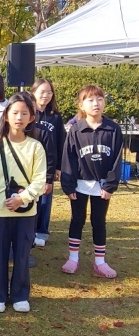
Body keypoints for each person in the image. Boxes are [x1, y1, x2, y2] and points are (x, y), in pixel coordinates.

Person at [0, 93, 46, 314]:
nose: (19, 117)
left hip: (26, 212)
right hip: (0, 211)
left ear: (31, 118)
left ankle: (20, 295)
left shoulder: (36, 147)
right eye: (15, 112)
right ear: (6, 116)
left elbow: (40, 180)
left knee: (22, 255)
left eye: (24, 113)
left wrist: (22, 198)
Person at [60, 85, 123, 278]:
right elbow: (69, 158)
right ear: (81, 105)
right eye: (90, 100)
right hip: (80, 184)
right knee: (77, 220)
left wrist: (110, 185)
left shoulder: (113, 129)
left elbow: (117, 160)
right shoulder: (76, 130)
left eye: (100, 99)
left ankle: (100, 262)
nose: (96, 103)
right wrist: (68, 185)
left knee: (99, 221)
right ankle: (73, 259)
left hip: (102, 186)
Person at [30, 78, 66, 246]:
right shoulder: (27, 113)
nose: (46, 95)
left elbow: (60, 142)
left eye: (49, 92)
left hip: (49, 164)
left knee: (45, 198)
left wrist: (58, 167)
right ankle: (29, 230)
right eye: (42, 92)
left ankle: (42, 230)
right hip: (29, 163)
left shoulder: (55, 116)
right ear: (33, 92)